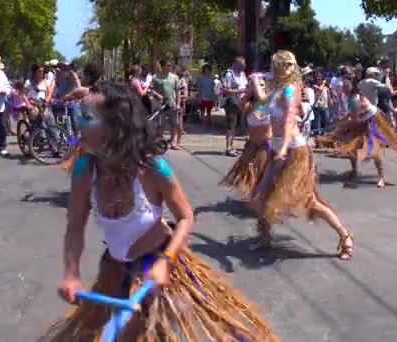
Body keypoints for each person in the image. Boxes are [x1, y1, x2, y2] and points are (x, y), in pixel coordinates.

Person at [41, 82, 277, 341]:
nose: (78, 124)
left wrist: (166, 262)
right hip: (115, 267)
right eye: (78, 114)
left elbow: (186, 217)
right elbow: (75, 224)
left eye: (86, 117)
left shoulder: (152, 169)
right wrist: (71, 273)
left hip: (158, 262)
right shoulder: (84, 169)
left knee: (137, 334)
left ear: (114, 125)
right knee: (90, 333)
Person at [249, 50, 354, 260]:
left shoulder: (290, 90)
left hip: (294, 149)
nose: (278, 70)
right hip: (279, 148)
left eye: (281, 66)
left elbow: (289, 119)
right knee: (258, 196)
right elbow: (261, 101)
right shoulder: (276, 88)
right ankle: (265, 236)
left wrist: (283, 147)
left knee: (310, 202)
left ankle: (345, 237)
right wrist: (254, 81)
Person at [316, 79, 397, 188]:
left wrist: (342, 125)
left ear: (348, 88)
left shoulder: (354, 99)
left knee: (374, 149)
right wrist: (341, 121)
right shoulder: (351, 97)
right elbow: (351, 114)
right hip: (362, 121)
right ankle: (354, 171)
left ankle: (381, 177)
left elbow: (355, 120)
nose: (341, 89)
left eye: (343, 88)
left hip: (373, 121)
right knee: (350, 145)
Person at [220, 73, 270, 198]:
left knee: (265, 173)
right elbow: (242, 104)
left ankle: (265, 196)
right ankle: (258, 196)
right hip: (252, 144)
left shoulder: (269, 101)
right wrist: (249, 92)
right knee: (249, 171)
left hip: (266, 144)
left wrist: (255, 82)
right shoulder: (248, 104)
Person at [152, 59, 182, 150]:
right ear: (163, 66)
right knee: (161, 124)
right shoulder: (156, 77)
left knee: (174, 124)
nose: (169, 67)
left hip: (172, 104)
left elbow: (178, 91)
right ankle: (159, 142)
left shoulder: (174, 77)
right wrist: (157, 95)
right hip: (161, 105)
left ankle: (173, 142)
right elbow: (151, 89)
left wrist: (178, 104)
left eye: (170, 65)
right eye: (168, 65)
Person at [222, 57, 248, 157]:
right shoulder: (229, 74)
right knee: (230, 126)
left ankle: (232, 146)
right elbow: (225, 91)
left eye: (244, 65)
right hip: (231, 103)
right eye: (242, 65)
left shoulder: (242, 74)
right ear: (236, 64)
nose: (243, 67)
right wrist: (239, 91)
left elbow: (245, 86)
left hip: (241, 103)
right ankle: (228, 148)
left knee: (236, 126)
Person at [311, 70, 330, 136]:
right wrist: (323, 83)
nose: (318, 80)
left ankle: (323, 136)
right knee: (317, 124)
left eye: (320, 79)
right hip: (317, 107)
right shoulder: (314, 86)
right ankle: (317, 138)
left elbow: (328, 96)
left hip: (325, 107)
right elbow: (319, 89)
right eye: (317, 79)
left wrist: (331, 102)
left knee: (326, 122)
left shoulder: (326, 88)